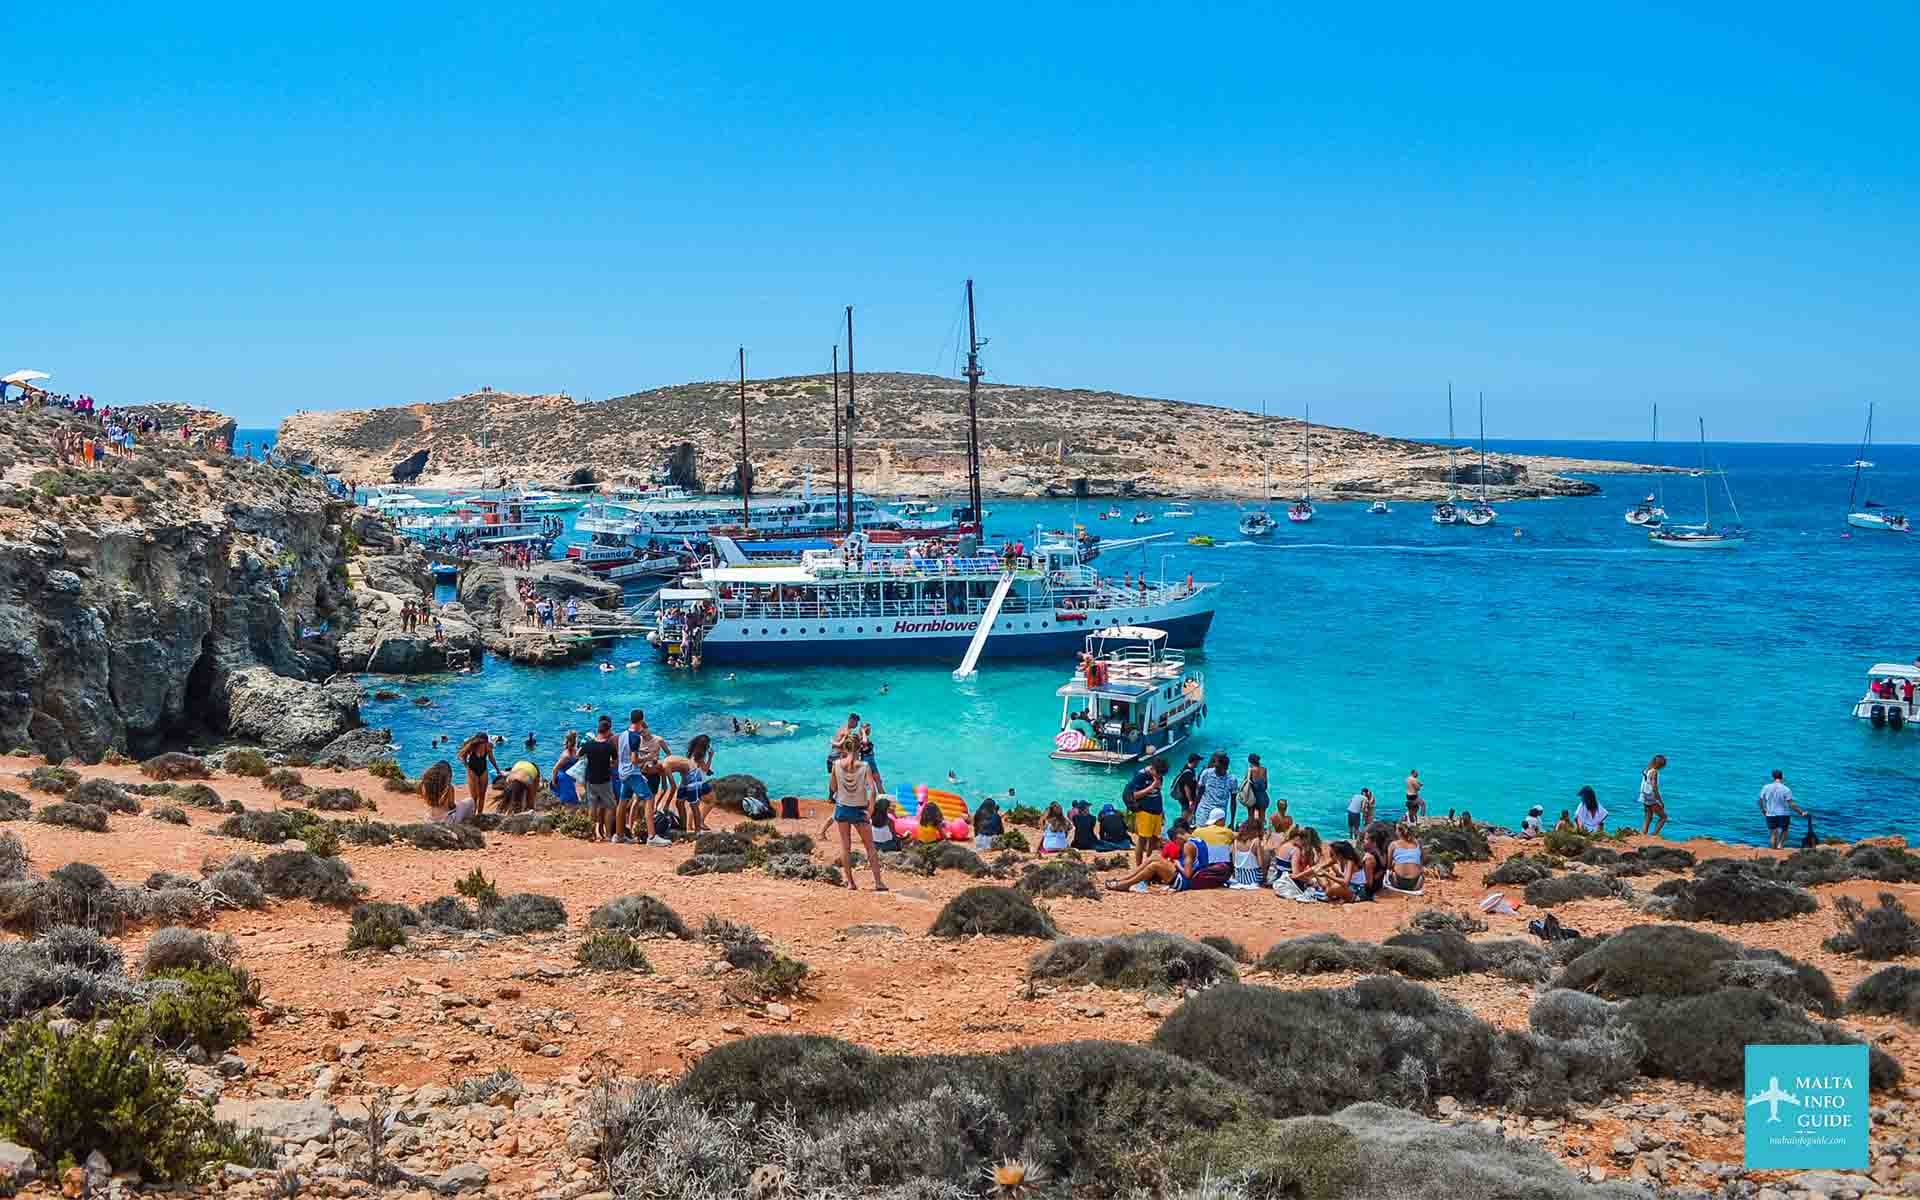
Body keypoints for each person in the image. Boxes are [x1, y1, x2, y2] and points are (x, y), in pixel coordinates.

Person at [827, 743, 887, 891]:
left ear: (845, 748)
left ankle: (850, 883)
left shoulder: (836, 764)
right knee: (870, 847)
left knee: (845, 846)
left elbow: (833, 788)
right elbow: (873, 791)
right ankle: (878, 883)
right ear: (859, 749)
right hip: (859, 809)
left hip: (842, 808)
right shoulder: (865, 766)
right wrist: (870, 810)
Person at [615, 710, 655, 845]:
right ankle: (652, 837)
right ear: (641, 720)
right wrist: (648, 757)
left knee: (623, 802)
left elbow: (625, 751)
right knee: (649, 798)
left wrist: (639, 751)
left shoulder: (622, 735)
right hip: (632, 773)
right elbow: (634, 760)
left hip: (622, 773)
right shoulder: (636, 737)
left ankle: (619, 835)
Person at [578, 716, 620, 841]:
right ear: (608, 731)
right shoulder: (609, 746)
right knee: (610, 806)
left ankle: (591, 834)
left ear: (598, 730)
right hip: (604, 780)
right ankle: (608, 835)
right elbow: (615, 763)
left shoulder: (589, 745)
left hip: (590, 779)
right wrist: (608, 764)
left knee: (592, 807)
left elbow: (578, 754)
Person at [1123, 756, 1169, 865]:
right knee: (1142, 839)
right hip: (1145, 811)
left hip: (1157, 810)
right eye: (1159, 773)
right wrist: (1151, 787)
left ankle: (1148, 862)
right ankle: (1139, 866)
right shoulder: (1140, 776)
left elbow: (1158, 793)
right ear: (1152, 768)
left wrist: (1162, 811)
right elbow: (1134, 795)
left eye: (1162, 775)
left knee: (1154, 838)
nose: (1160, 776)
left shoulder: (1159, 775)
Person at [1759, 769, 1808, 849]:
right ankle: (1780, 846)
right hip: (1784, 814)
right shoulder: (1786, 789)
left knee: (1773, 833)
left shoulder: (1765, 787)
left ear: (1773, 777)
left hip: (1770, 813)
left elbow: (1760, 800)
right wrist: (1801, 812)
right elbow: (1791, 804)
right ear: (1782, 777)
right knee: (1785, 830)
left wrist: (1763, 810)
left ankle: (1773, 850)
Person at [456, 732, 500, 818]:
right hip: (472, 770)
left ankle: (479, 815)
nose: (483, 744)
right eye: (482, 742)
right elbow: (462, 756)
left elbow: (491, 758)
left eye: (484, 742)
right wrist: (467, 767)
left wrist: (497, 769)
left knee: (482, 794)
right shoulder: (472, 747)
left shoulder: (488, 746)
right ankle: (472, 815)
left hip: (483, 770)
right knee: (474, 796)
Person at [1194, 752, 1237, 827]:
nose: (1216, 770)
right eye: (1216, 767)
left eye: (1219, 768)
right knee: (1201, 832)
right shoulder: (1206, 773)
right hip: (1203, 812)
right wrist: (1194, 811)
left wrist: (1232, 821)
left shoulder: (1232, 780)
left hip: (1219, 815)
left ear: (1226, 767)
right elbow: (1199, 793)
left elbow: (1233, 801)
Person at [1382, 823, 1425, 895]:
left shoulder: (1393, 844)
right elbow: (1421, 862)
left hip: (1397, 882)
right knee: (1420, 872)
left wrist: (1394, 864)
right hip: (1416, 883)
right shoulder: (1417, 843)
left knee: (1391, 871)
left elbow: (1388, 866)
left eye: (1396, 829)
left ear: (1399, 832)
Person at [1228, 818, 1266, 889]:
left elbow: (1234, 862)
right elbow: (1260, 864)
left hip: (1239, 878)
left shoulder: (1235, 841)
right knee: (1267, 855)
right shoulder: (1256, 841)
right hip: (1253, 879)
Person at [1639, 754, 1668, 837]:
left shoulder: (1647, 770)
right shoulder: (1654, 772)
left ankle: (1643, 835)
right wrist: (1660, 801)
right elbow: (1654, 787)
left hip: (1644, 796)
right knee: (1663, 817)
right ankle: (1654, 835)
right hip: (1651, 798)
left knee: (1648, 817)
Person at [549, 731, 581, 806]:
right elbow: (555, 769)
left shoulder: (575, 751)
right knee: (568, 799)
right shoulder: (566, 756)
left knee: (572, 799)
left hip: (569, 777)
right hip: (563, 777)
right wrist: (554, 782)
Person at [1170, 753, 1202, 822]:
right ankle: (1182, 825)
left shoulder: (1189, 769)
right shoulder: (1188, 773)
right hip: (1185, 798)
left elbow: (1192, 782)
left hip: (1185, 797)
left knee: (1188, 813)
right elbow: (1186, 787)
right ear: (1195, 761)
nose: (1198, 763)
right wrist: (1190, 801)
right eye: (1198, 761)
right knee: (1186, 812)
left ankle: (1185, 824)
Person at [1243, 753, 1270, 826]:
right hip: (1262, 796)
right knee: (1262, 819)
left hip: (1252, 797)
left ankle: (1251, 831)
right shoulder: (1264, 769)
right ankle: (1261, 831)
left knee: (1251, 818)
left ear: (1250, 762)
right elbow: (1266, 785)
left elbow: (1245, 783)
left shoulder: (1250, 770)